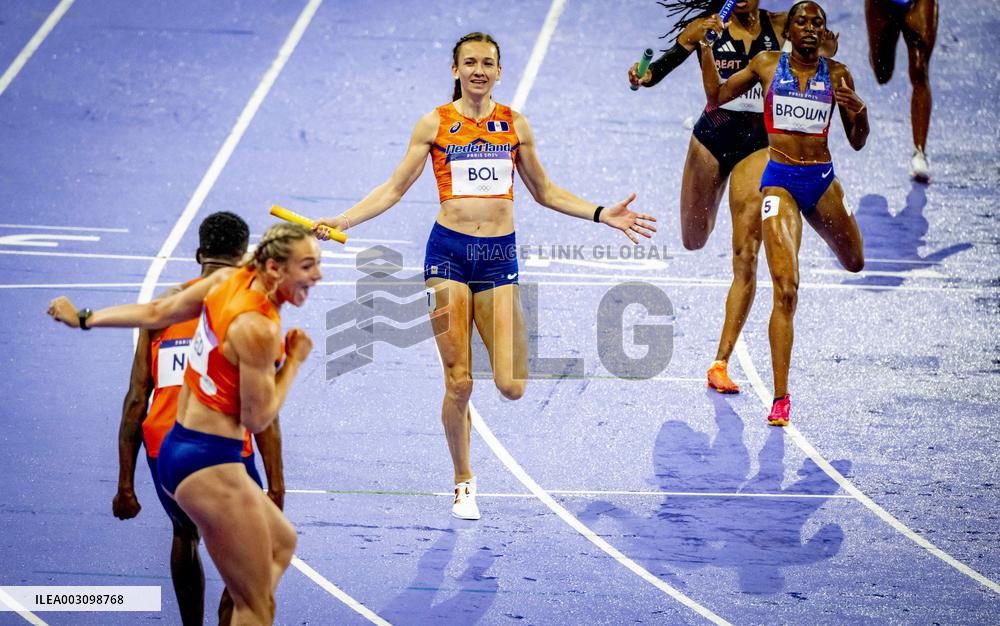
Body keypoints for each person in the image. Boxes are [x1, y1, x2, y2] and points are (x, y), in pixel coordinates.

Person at [314, 32, 656, 520]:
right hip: (447, 256)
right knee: (458, 382)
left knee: (513, 386)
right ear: (455, 70)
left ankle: (470, 455)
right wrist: (341, 221)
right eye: (469, 62)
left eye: (487, 63)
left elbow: (544, 191)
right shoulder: (435, 123)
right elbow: (393, 188)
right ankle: (463, 481)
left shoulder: (514, 125)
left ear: (499, 71)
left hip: (498, 259)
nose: (478, 70)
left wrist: (602, 213)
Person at [48, 222, 320, 624]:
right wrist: (294, 361)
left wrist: (84, 318)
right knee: (256, 605)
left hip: (178, 447)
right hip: (211, 462)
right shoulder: (258, 329)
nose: (318, 276)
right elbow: (258, 417)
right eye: (308, 266)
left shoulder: (225, 280)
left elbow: (156, 311)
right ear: (275, 269)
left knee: (281, 543)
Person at [629, 0, 837, 393]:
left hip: (759, 144)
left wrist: (825, 48)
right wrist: (641, 76)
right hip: (712, 136)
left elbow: (816, 54)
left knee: (745, 254)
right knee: (693, 240)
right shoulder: (703, 27)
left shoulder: (782, 27)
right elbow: (659, 69)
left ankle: (719, 362)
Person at [112, 212, 285, 625]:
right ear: (244, 256)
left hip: (165, 454)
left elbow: (138, 399)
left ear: (198, 255)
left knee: (185, 532)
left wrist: (125, 484)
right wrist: (277, 485)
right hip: (224, 456)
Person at [699, 1, 868, 426]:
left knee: (855, 261)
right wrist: (705, 52)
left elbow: (859, 140)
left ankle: (775, 392)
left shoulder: (839, 74)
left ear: (824, 33)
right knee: (786, 288)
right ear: (788, 31)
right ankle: (780, 398)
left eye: (818, 22)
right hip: (781, 184)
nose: (810, 28)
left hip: (822, 182)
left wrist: (857, 110)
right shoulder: (766, 64)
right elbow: (717, 97)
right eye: (802, 22)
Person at [865, 0, 937, 182]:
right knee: (882, 74)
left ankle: (919, 153)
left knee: (920, 70)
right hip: (881, 4)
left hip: (918, 3)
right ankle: (878, 45)